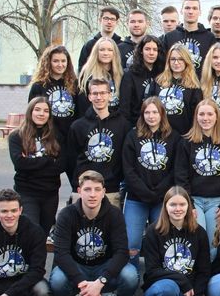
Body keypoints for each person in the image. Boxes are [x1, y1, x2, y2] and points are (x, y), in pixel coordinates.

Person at [50, 170, 138, 296]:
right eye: (87, 189)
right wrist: (84, 284)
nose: (92, 194)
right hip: (78, 267)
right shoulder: (66, 215)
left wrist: (100, 282)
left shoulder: (114, 214)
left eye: (97, 189)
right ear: (79, 191)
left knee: (131, 275)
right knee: (57, 279)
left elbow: (121, 253)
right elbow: (61, 254)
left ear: (104, 192)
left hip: (104, 267)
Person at [142, 186, 213, 296]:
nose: (178, 209)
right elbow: (152, 271)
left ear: (188, 206)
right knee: (168, 288)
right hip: (161, 289)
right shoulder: (153, 231)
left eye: (182, 204)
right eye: (173, 204)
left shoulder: (199, 233)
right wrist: (182, 281)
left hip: (190, 293)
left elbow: (204, 271)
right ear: (165, 207)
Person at [122, 97, 179, 269]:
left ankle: (157, 278)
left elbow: (175, 170)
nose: (151, 116)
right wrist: (145, 192)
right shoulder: (132, 136)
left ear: (162, 114)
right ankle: (132, 280)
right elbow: (128, 170)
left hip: (162, 200)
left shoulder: (174, 137)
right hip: (136, 199)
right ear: (142, 115)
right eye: (147, 112)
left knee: (163, 241)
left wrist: (158, 193)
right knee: (131, 242)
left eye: (155, 112)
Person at [175, 98, 220, 257]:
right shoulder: (186, 142)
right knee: (197, 241)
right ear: (196, 117)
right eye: (201, 114)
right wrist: (189, 204)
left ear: (216, 116)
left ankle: (209, 279)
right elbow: (181, 176)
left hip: (217, 202)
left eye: (209, 114)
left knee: (214, 244)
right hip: (194, 201)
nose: (205, 118)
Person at [68, 77, 131, 205]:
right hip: (83, 190)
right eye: (95, 93)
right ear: (89, 97)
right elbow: (70, 160)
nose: (99, 97)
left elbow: (125, 157)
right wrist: (78, 184)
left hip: (111, 189)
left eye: (103, 93)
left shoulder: (122, 124)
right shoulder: (78, 126)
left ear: (110, 95)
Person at [8, 97, 64, 234]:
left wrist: (32, 165)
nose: (41, 114)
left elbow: (61, 165)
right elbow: (20, 164)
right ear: (30, 111)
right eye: (37, 109)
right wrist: (48, 160)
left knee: (43, 235)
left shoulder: (56, 135)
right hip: (27, 193)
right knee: (31, 232)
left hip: (50, 194)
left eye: (45, 111)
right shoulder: (16, 136)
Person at [28, 44, 78, 141]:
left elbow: (79, 113)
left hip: (69, 137)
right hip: (46, 137)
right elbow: (31, 114)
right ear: (48, 62)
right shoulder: (38, 86)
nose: (60, 65)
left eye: (63, 61)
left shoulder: (75, 85)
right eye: (56, 61)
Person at [153, 44, 203, 135]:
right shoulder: (158, 82)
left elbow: (196, 114)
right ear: (168, 61)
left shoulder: (194, 86)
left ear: (186, 61)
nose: (176, 63)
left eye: (180, 59)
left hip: (183, 135)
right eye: (173, 59)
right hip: (160, 134)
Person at [162, 0, 215, 77]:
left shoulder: (209, 38)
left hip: (200, 86)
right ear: (181, 11)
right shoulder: (169, 37)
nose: (190, 11)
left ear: (200, 12)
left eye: (194, 8)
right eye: (187, 8)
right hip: (176, 86)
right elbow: (164, 66)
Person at [119, 35, 164, 125]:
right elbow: (125, 107)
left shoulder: (162, 73)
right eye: (147, 49)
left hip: (159, 124)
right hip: (136, 124)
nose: (151, 53)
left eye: (155, 50)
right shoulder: (130, 74)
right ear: (141, 51)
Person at [76, 37, 123, 117]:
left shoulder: (121, 74)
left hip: (115, 121)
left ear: (114, 53)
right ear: (96, 52)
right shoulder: (87, 75)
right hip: (93, 121)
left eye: (110, 50)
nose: (106, 53)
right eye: (102, 50)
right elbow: (82, 106)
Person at [78, 6, 121, 72]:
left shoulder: (121, 46)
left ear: (117, 22)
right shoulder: (89, 45)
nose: (109, 22)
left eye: (112, 19)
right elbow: (81, 69)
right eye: (106, 18)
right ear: (100, 20)